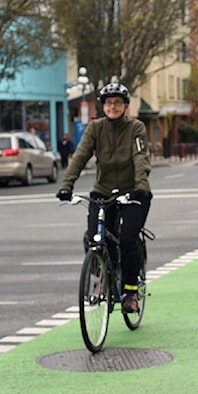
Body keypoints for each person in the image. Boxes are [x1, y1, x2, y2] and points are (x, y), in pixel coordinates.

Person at [56, 82, 152, 314]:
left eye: (118, 103)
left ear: (125, 106)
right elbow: (80, 156)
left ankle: (130, 292)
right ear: (103, 106)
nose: (113, 107)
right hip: (103, 191)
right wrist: (66, 185)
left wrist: (140, 186)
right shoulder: (95, 129)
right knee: (94, 237)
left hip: (133, 192)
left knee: (128, 239)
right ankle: (101, 279)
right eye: (109, 103)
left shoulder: (136, 127)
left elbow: (140, 158)